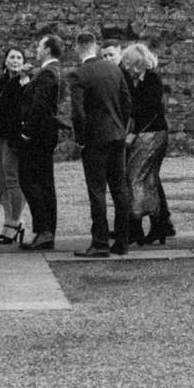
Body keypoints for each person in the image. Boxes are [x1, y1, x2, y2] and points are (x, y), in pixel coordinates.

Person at [68, 31, 133, 258]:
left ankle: (100, 242)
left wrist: (80, 138)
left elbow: (78, 113)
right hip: (117, 135)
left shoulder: (78, 75)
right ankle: (123, 241)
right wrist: (121, 127)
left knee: (97, 190)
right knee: (119, 188)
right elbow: (126, 103)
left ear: (78, 47)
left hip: (95, 138)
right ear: (95, 47)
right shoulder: (114, 69)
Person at [120, 42, 173, 247]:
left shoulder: (150, 79)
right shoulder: (143, 79)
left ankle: (136, 226)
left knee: (134, 178)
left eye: (127, 62)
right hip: (154, 133)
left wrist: (133, 133)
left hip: (150, 134)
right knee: (149, 179)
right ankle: (158, 225)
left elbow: (147, 110)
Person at [16, 33, 65, 251]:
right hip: (46, 136)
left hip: (38, 137)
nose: (36, 49)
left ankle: (44, 228)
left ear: (46, 49)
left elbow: (39, 106)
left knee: (29, 180)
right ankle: (46, 232)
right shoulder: (51, 72)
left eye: (39, 46)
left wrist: (26, 132)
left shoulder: (47, 73)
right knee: (45, 183)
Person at [0, 47, 29, 245]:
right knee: (2, 183)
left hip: (15, 139)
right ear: (5, 61)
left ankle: (14, 223)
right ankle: (9, 220)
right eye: (12, 57)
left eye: (19, 57)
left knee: (14, 180)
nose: (15, 60)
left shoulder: (24, 81)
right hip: (1, 137)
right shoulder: (1, 82)